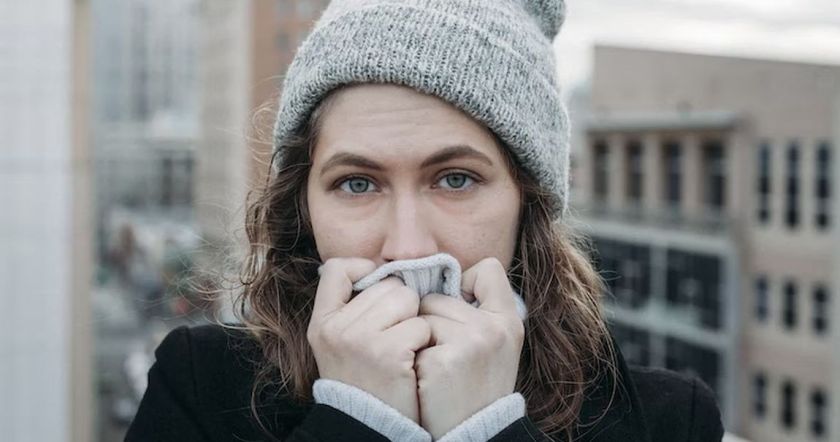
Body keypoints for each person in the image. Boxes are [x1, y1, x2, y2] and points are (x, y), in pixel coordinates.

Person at [126, 0, 724, 441]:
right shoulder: (200, 387)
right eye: (357, 183)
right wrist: (355, 422)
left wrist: (487, 430)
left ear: (529, 202)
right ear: (301, 207)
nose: (408, 247)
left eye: (455, 179)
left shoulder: (668, 421)